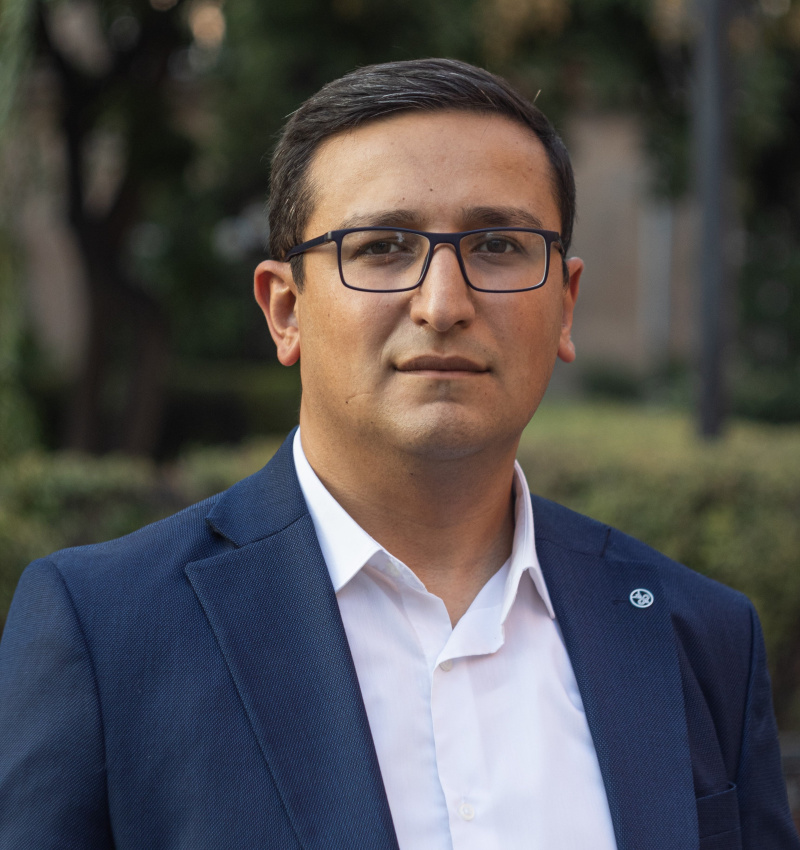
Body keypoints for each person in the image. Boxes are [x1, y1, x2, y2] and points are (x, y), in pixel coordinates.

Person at [0, 58, 796, 850]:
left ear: (564, 304)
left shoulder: (700, 636)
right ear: (285, 310)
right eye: (382, 246)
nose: (444, 304)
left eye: (498, 245)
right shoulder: (106, 633)